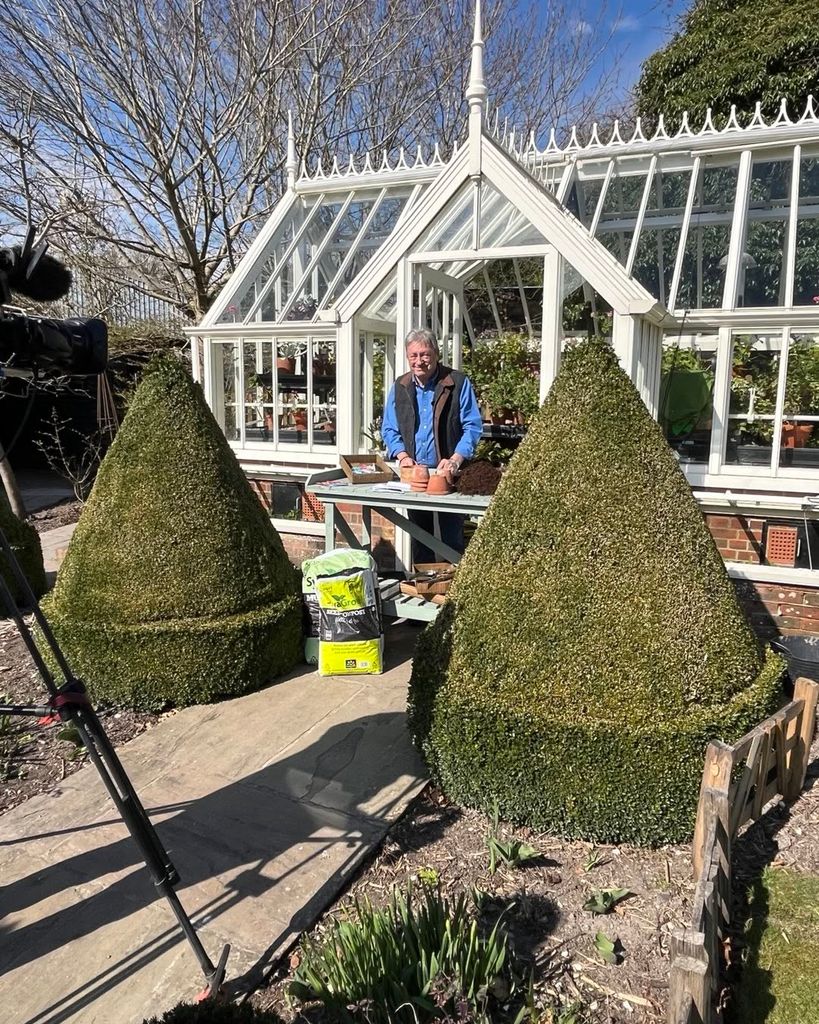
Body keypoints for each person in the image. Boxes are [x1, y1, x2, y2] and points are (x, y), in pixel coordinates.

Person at [381, 328, 483, 565]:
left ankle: (454, 585)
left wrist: (456, 459)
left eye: (424, 354)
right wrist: (402, 455)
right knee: (421, 540)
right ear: (407, 357)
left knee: (452, 540)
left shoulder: (457, 382)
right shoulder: (400, 386)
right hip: (416, 477)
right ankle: (424, 583)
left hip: (450, 476)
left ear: (436, 354)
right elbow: (389, 428)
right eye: (413, 355)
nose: (419, 361)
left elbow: (473, 426)